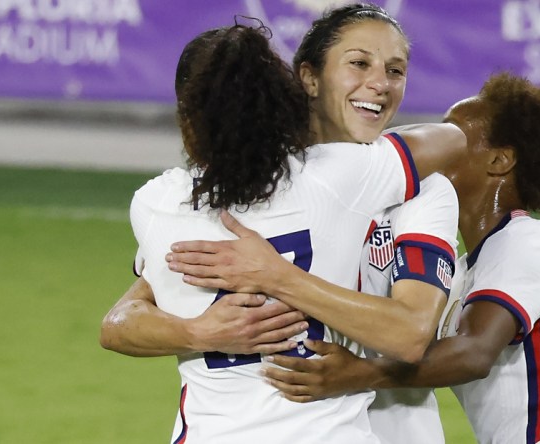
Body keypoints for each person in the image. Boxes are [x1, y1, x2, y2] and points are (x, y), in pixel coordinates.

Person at [103, 5, 465, 444]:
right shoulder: (340, 178)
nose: (379, 84)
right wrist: (195, 330)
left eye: (395, 70)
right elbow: (120, 322)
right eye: (358, 63)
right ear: (304, 80)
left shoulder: (163, 204)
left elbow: (410, 334)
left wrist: (275, 276)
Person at [234, 73, 540, 443]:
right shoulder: (469, 266)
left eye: (456, 135)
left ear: (499, 162)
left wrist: (359, 373)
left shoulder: (523, 245)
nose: (438, 143)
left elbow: (473, 353)